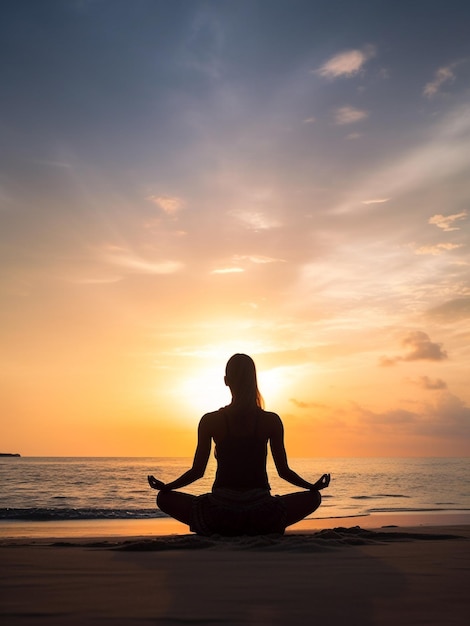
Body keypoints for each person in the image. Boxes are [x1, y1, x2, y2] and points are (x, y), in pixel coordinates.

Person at [148, 353, 330, 536]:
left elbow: (197, 471)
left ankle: (223, 529)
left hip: (219, 513)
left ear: (226, 381)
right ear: (254, 380)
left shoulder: (210, 421)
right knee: (313, 498)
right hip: (263, 514)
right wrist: (312, 487)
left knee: (163, 499)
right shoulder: (270, 421)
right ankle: (256, 528)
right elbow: (284, 472)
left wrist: (167, 488)